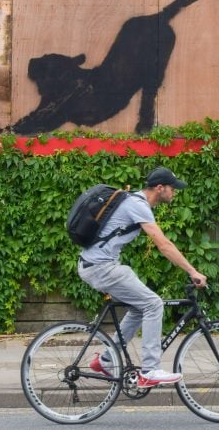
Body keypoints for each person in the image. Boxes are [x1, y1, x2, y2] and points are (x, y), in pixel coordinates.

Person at [77, 166, 208, 388]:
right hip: (100, 267)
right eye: (172, 188)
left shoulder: (134, 202)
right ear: (159, 188)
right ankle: (149, 370)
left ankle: (106, 360)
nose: (174, 193)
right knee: (153, 304)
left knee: (140, 308)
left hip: (98, 265)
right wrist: (192, 271)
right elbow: (164, 245)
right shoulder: (137, 205)